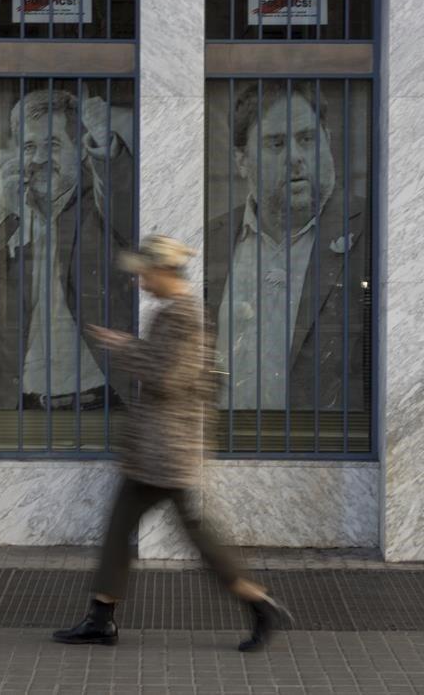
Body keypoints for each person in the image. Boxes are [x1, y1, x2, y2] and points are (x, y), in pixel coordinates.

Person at [52, 235, 291, 652]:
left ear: (163, 271)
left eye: (145, 274)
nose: (141, 282)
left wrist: (126, 347)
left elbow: (170, 378)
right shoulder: (170, 314)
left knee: (195, 537)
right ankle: (100, 618)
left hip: (168, 451)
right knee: (122, 526)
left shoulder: (185, 316)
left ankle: (258, 603)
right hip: (154, 449)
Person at [205, 81, 367, 411]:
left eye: (307, 139)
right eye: (276, 144)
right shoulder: (212, 240)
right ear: (241, 161)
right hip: (226, 448)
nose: (296, 157)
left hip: (324, 449)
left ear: (328, 141)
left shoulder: (372, 231)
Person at [0, 88, 135, 411]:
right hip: (18, 407)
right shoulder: (9, 215)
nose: (39, 158)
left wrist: (106, 147)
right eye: (29, 147)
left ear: (81, 152)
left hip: (98, 406)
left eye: (53, 145)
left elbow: (122, 195)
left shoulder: (102, 210)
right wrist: (2, 214)